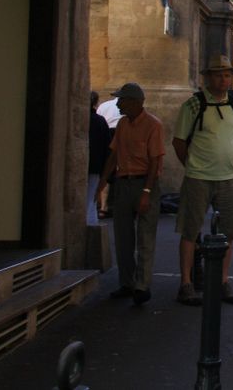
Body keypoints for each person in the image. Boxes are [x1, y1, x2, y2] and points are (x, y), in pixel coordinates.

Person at [172, 55, 233, 306]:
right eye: (218, 74)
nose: (223, 79)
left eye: (227, 74)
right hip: (198, 178)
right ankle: (186, 283)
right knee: (189, 230)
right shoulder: (194, 105)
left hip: (229, 177)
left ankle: (223, 280)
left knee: (229, 232)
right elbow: (179, 142)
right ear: (208, 77)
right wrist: (193, 165)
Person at [96, 83, 164, 305]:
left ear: (135, 102)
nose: (118, 103)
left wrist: (146, 191)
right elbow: (114, 155)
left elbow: (155, 160)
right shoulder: (123, 124)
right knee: (123, 237)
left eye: (122, 100)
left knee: (145, 237)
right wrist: (103, 181)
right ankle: (127, 283)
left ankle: (142, 285)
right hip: (124, 183)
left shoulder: (153, 125)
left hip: (145, 182)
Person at [88, 92, 111, 223]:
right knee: (91, 200)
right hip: (95, 166)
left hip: (92, 165)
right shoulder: (99, 121)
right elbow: (107, 146)